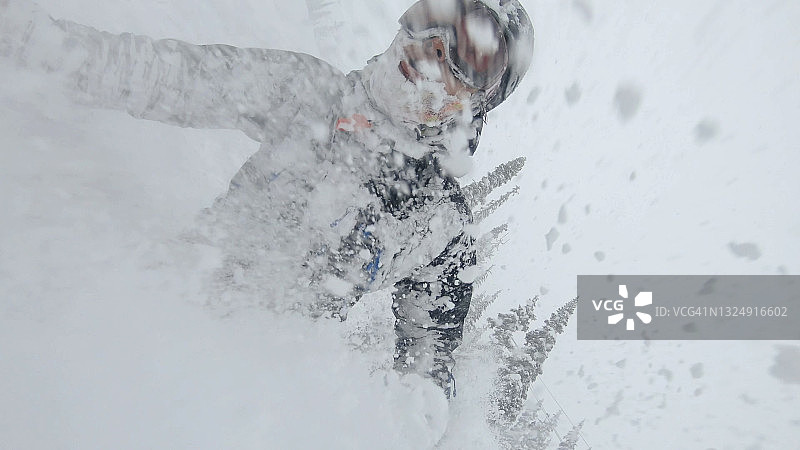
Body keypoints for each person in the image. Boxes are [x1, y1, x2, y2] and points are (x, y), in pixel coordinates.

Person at [0, 0, 534, 397]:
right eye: (429, 20)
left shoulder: (438, 224)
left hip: (245, 391)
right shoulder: (308, 95)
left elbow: (427, 383)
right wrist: (28, 45)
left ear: (480, 101)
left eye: (466, 57)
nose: (431, 50)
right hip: (153, 313)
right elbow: (159, 77)